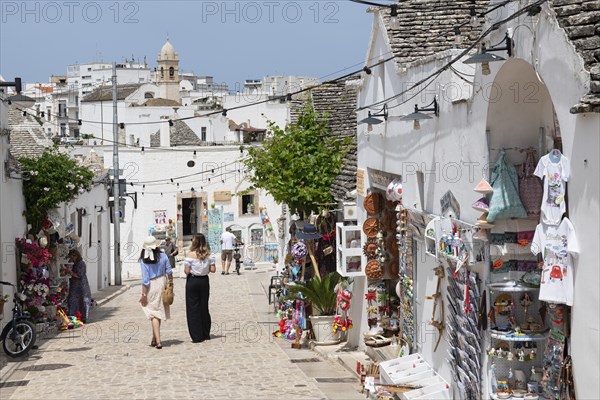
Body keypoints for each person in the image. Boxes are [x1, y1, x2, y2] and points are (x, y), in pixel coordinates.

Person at [139, 236, 173, 349]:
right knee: (157, 311)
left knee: (153, 313)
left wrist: (143, 295)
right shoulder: (163, 256)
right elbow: (169, 271)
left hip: (151, 286)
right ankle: (154, 339)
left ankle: (158, 341)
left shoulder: (144, 260)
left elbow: (145, 280)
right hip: (162, 282)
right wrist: (171, 285)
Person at [183, 234, 216, 342]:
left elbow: (187, 271)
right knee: (204, 307)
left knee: (193, 308)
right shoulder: (208, 254)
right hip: (204, 281)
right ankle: (206, 333)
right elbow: (213, 270)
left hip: (193, 280)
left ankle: (197, 335)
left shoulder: (190, 254)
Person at [66, 249, 92, 322]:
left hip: (81, 286)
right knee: (72, 301)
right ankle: (72, 317)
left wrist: (70, 272)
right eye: (71, 256)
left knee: (81, 301)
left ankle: (81, 317)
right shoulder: (74, 263)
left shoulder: (81, 263)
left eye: (73, 256)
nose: (72, 258)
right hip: (74, 286)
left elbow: (79, 275)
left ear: (77, 256)